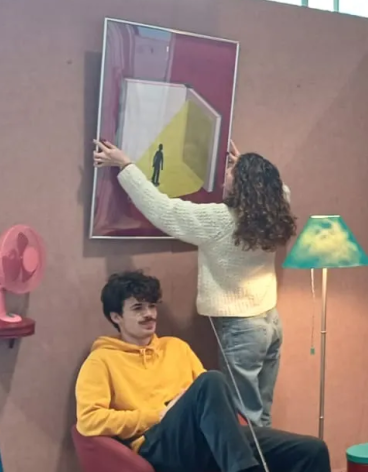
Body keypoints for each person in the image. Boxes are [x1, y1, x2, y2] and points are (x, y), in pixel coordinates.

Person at [93, 138, 294, 428]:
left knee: (245, 420)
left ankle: (252, 460)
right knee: (261, 414)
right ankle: (265, 459)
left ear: (243, 186)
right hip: (270, 322)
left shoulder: (221, 220)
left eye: (231, 173)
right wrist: (246, 166)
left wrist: (125, 165)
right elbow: (280, 189)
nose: (225, 176)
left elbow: (164, 210)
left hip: (242, 330)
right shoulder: (273, 211)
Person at [75, 271, 332, 472]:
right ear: (116, 317)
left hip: (204, 439)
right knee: (211, 379)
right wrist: (158, 415)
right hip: (155, 445)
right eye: (138, 308)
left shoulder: (176, 347)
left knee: (312, 451)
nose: (149, 314)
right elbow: (89, 421)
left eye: (152, 306)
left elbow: (211, 402)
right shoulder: (101, 360)